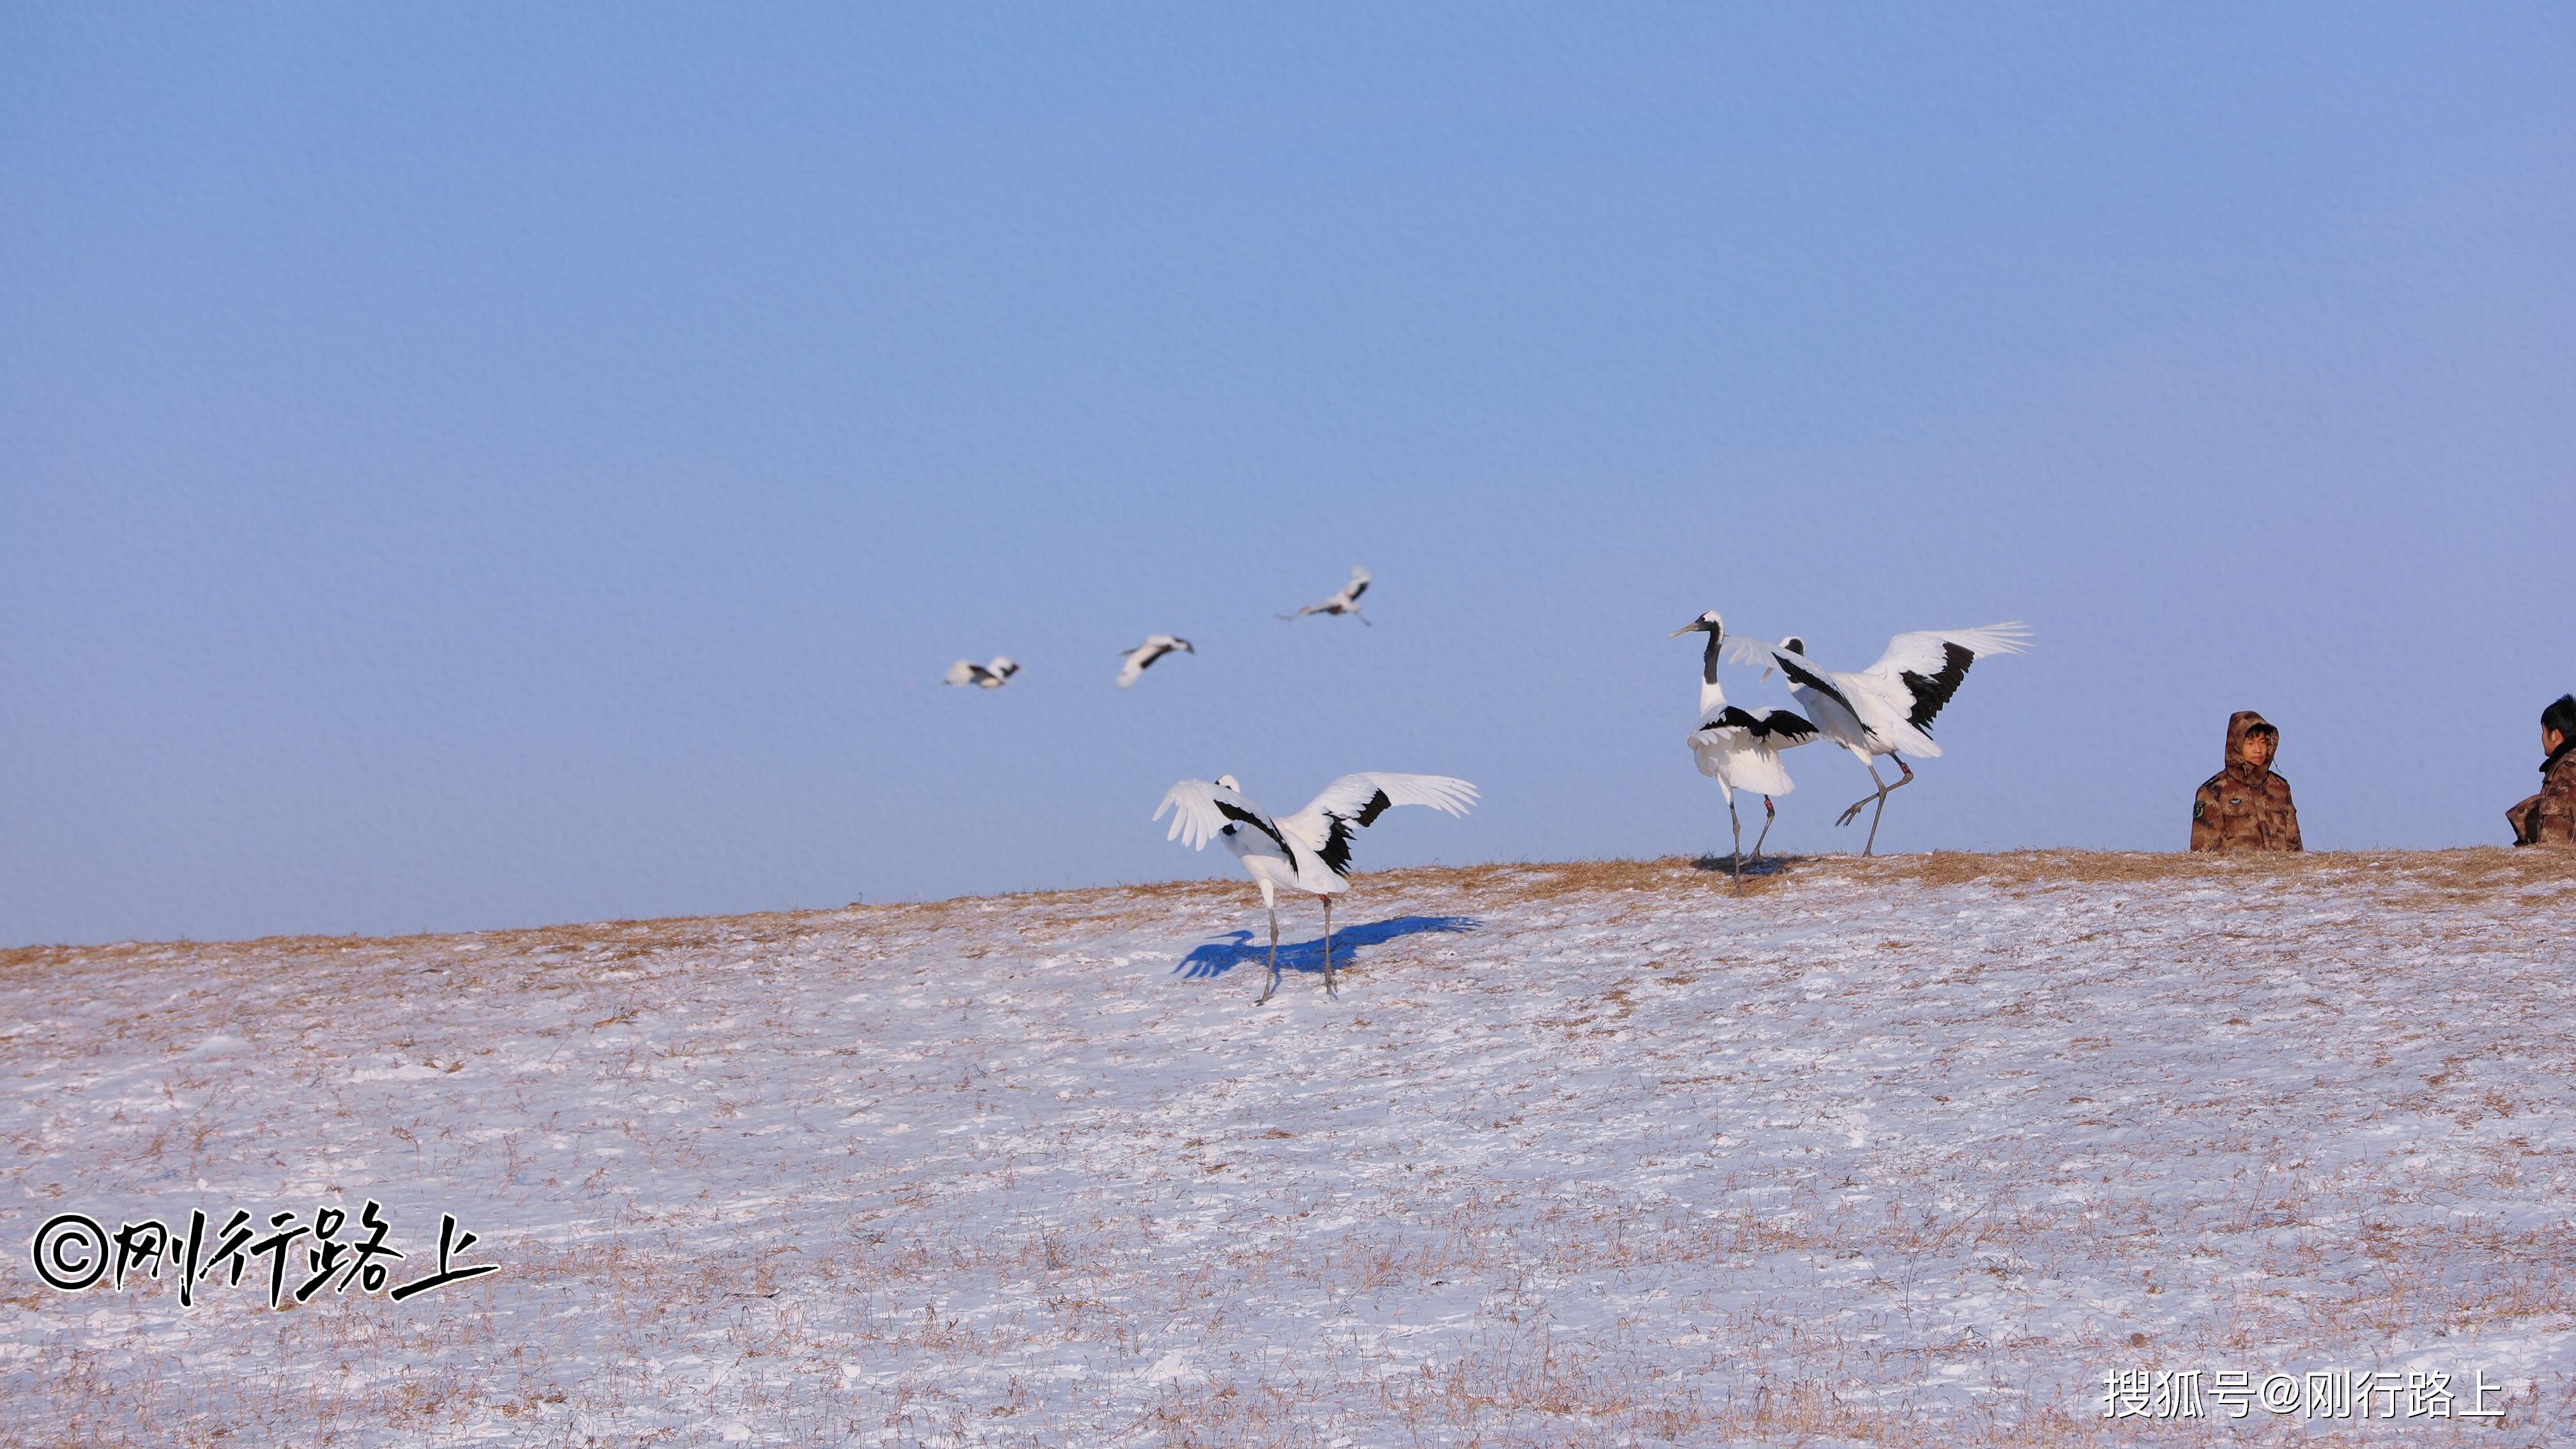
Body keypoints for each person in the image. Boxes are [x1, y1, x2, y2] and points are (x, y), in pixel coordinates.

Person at [2191, 710, 2302, 853]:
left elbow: (2296, 850)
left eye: (2262, 742)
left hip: (2280, 875)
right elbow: (2202, 857)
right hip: (2236, 875)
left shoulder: (2280, 787)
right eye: (2250, 743)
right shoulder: (2212, 792)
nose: (2258, 750)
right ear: (2236, 747)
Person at [2507, 694, 2576, 847]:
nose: (2542, 737)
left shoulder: (2567, 770)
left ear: (2555, 735)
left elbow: (2556, 844)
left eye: (2543, 731)